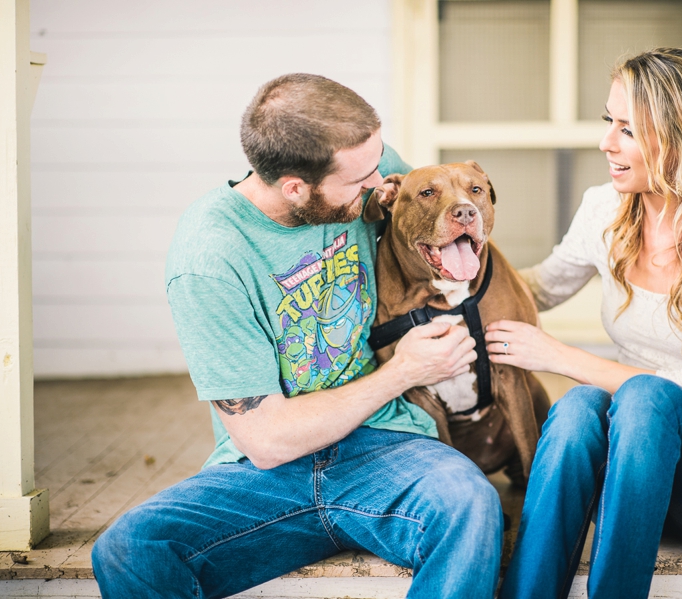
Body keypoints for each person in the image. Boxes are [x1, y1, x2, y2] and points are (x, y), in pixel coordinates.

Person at [90, 74, 504, 599]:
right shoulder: (210, 260)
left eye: (380, 163)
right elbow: (267, 440)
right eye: (361, 181)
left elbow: (439, 221)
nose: (381, 182)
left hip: (386, 443)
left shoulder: (362, 164)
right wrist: (404, 371)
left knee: (469, 503)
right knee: (131, 549)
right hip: (265, 474)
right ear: (296, 187)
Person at [485, 48, 682, 599]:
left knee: (646, 397)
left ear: (680, 136)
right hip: (631, 480)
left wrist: (556, 356)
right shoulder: (604, 209)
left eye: (627, 129)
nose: (606, 142)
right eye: (609, 122)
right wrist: (456, 263)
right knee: (577, 408)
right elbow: (539, 287)